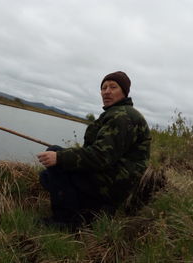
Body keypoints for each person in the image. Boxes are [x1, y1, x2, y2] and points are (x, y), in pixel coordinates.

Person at [37, 71, 151, 227]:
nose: (107, 92)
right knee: (46, 176)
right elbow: (99, 151)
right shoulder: (117, 113)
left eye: (113, 87)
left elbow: (100, 157)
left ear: (124, 92)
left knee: (55, 157)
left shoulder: (122, 117)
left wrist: (60, 157)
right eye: (104, 88)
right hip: (113, 178)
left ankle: (67, 221)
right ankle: (89, 211)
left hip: (112, 184)